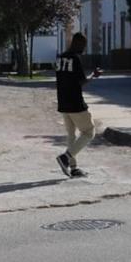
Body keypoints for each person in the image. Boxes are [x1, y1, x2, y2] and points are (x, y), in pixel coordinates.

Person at [54, 33, 101, 178]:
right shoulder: (75, 58)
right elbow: (81, 82)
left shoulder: (60, 57)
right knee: (89, 132)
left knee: (71, 136)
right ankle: (65, 158)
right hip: (75, 102)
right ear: (78, 43)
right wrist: (93, 76)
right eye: (83, 45)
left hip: (63, 102)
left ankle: (73, 168)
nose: (84, 49)